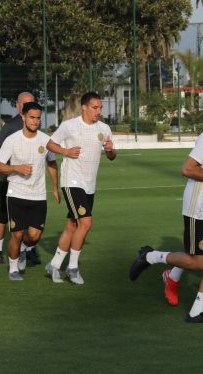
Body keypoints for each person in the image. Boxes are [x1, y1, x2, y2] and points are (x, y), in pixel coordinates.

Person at [129, 89, 203, 323]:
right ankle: (151, 257)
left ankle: (196, 312)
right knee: (200, 262)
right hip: (198, 208)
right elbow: (187, 169)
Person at [45, 92, 116, 285]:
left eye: (100, 108)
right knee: (86, 223)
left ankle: (54, 264)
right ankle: (73, 268)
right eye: (95, 107)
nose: (99, 111)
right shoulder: (70, 126)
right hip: (72, 181)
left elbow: (112, 156)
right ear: (84, 107)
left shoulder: (104, 128)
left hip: (89, 184)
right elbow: (50, 143)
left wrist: (110, 149)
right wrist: (66, 151)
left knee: (73, 225)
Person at [0, 102, 59, 280]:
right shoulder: (12, 139)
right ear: (23, 117)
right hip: (16, 194)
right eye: (32, 117)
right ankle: (13, 269)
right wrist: (16, 168)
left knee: (34, 236)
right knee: (16, 235)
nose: (35, 121)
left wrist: (55, 188)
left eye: (38, 118)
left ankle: (24, 248)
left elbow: (52, 163)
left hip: (38, 196)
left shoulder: (45, 140)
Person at [0, 92, 36, 266]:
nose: (28, 106)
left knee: (29, 216)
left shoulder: (35, 125)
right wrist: (15, 167)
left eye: (32, 103)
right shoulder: (10, 126)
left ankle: (27, 250)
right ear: (18, 106)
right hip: (9, 180)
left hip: (31, 180)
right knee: (5, 214)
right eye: (25, 103)